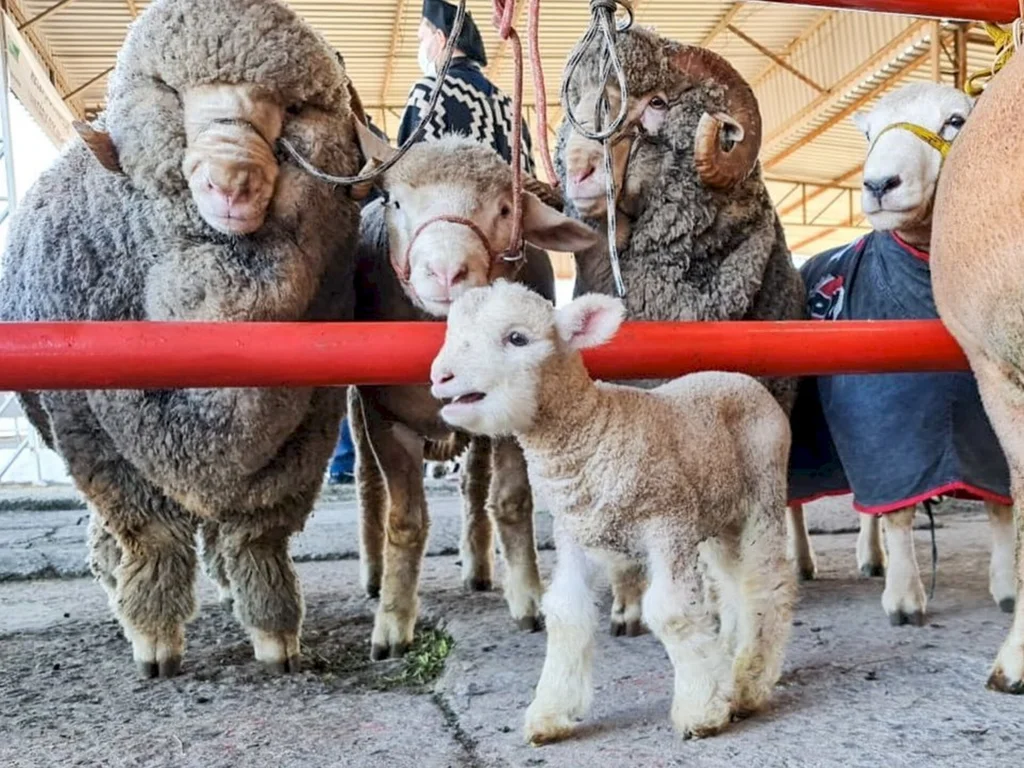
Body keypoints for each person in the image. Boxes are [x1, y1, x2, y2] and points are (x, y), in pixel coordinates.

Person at [398, 0, 535, 175]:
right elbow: (532, 184)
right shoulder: (510, 107)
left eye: (422, 39)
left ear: (440, 39)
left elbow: (409, 177)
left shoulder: (429, 92)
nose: (421, 47)